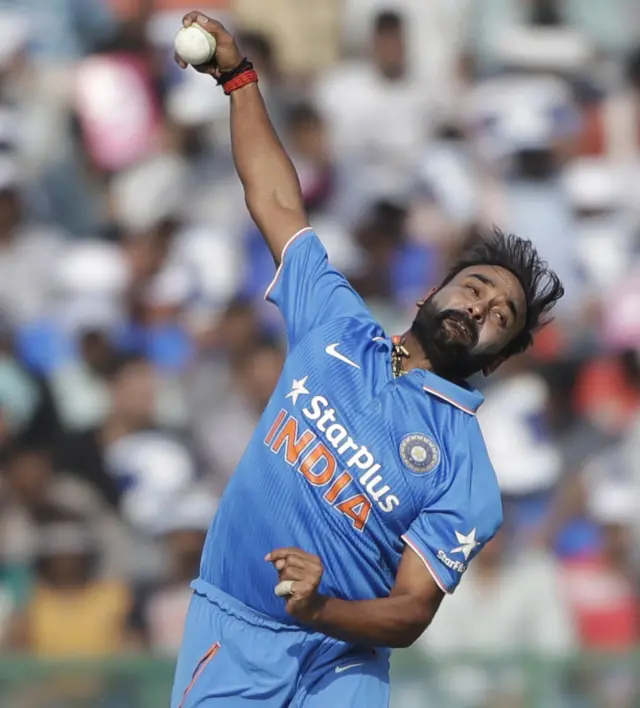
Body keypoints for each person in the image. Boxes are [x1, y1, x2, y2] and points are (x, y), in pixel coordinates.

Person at [171, 12, 565, 708]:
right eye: (474, 289)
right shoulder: (335, 322)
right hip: (232, 629)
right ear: (427, 295)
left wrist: (322, 609)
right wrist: (238, 79)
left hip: (343, 666)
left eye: (500, 318)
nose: (479, 309)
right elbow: (274, 198)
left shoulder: (464, 466)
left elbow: (412, 611)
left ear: (497, 359)